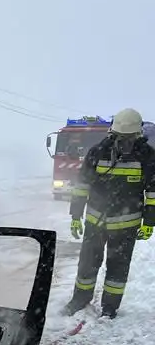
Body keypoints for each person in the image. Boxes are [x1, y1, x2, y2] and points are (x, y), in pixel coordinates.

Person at [64, 108, 155, 318]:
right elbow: (82, 186)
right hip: (96, 222)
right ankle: (80, 300)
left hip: (126, 226)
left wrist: (150, 221)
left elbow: (152, 191)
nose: (124, 142)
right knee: (87, 264)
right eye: (121, 138)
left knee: (118, 269)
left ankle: (109, 308)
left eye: (128, 138)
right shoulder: (97, 152)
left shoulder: (148, 157)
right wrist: (75, 216)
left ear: (138, 135)